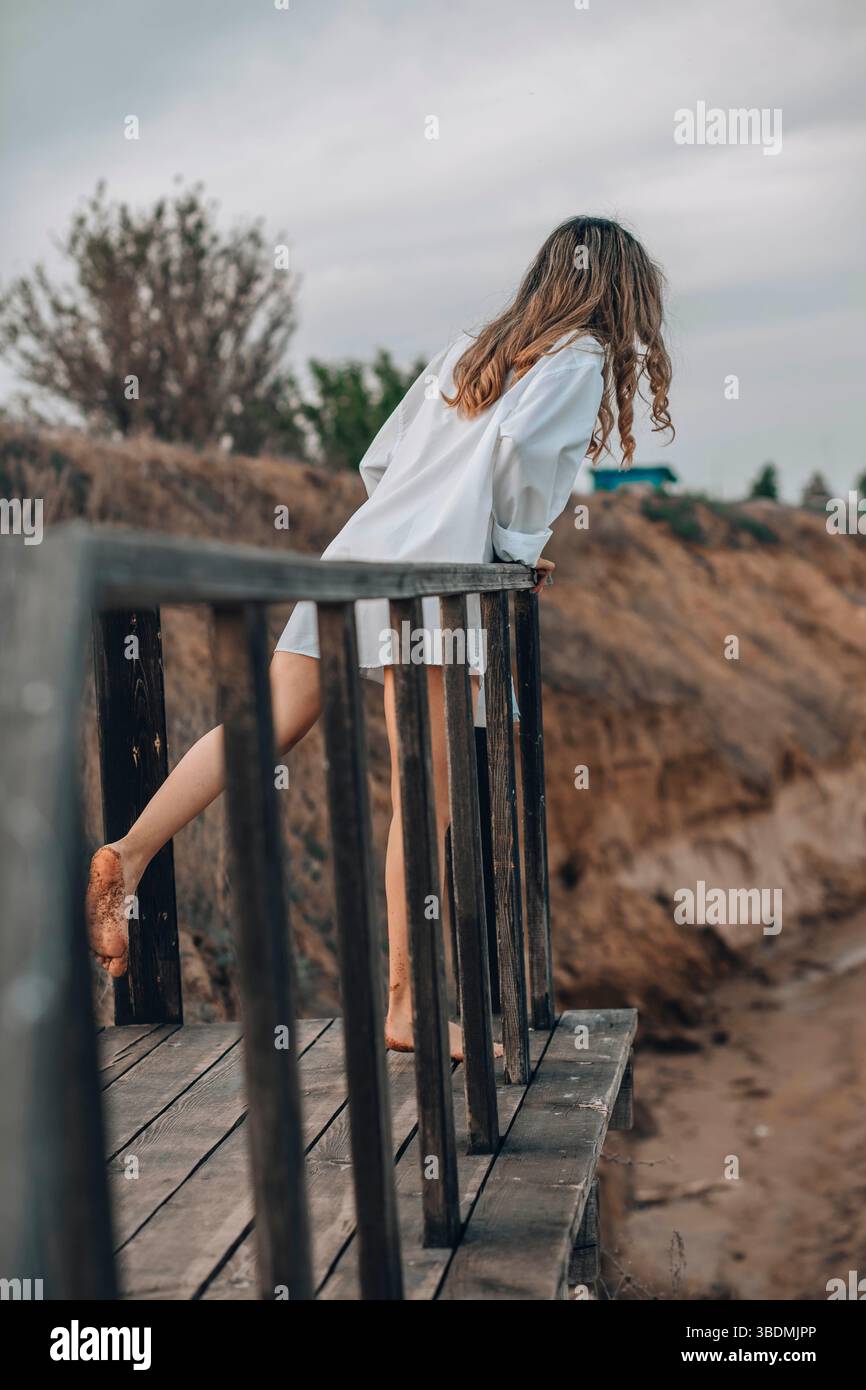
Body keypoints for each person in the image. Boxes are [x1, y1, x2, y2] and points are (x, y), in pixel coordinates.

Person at [86, 215, 674, 1060]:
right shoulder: (579, 356)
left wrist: (422, 512)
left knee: (265, 722)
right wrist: (512, 554)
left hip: (359, 552)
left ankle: (128, 851)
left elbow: (381, 461)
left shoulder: (473, 347)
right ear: (617, 293)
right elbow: (520, 461)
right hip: (431, 582)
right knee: (421, 795)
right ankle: (405, 1007)